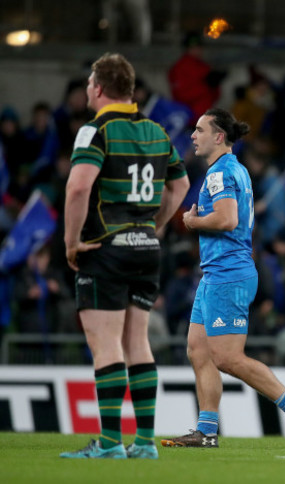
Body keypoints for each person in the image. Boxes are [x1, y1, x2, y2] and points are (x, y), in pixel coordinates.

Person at [160, 108, 285, 449]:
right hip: (218, 272)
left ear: (219, 137)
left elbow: (228, 219)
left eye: (200, 130)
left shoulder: (219, 173)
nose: (193, 135)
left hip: (228, 274)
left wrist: (193, 222)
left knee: (228, 358)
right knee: (198, 351)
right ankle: (207, 431)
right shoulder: (237, 170)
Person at [61, 53, 190, 459]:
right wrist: (156, 226)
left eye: (88, 85)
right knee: (139, 343)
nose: (86, 91)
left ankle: (111, 443)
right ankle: (146, 443)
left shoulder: (95, 130)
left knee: (106, 346)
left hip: (105, 248)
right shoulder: (155, 131)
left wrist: (71, 241)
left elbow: (78, 188)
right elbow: (181, 185)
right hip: (147, 250)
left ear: (98, 88)